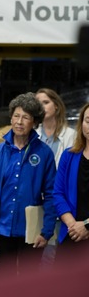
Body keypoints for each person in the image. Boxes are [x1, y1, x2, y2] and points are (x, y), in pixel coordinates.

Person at [0, 92, 56, 277]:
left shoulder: (44, 153)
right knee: (6, 282)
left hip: (32, 232)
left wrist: (46, 232)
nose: (19, 122)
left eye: (26, 117)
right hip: (3, 230)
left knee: (29, 283)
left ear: (34, 122)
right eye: (16, 116)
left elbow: (52, 194)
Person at [35, 87, 76, 267]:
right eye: (38, 103)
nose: (41, 107)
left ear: (57, 107)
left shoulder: (71, 136)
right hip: (36, 205)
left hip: (60, 206)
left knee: (54, 256)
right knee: (34, 256)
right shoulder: (32, 135)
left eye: (46, 102)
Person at [52, 102, 89, 259]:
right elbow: (58, 193)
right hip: (70, 233)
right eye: (88, 120)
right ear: (82, 123)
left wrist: (87, 225)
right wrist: (72, 225)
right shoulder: (69, 155)